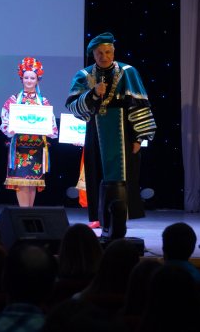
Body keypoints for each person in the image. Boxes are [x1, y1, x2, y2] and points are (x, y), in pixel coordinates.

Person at [65, 32, 156, 241]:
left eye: (108, 52)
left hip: (124, 134)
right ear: (93, 54)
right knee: (98, 175)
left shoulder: (128, 72)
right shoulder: (84, 75)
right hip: (96, 135)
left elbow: (140, 105)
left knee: (124, 177)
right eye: (99, 53)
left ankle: (119, 220)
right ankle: (103, 219)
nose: (104, 56)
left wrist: (139, 137)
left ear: (113, 52)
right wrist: (92, 94)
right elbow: (73, 106)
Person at [0, 57, 58, 207]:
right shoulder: (13, 100)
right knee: (22, 183)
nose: (29, 81)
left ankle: (29, 212)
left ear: (37, 80)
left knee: (32, 183)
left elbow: (51, 123)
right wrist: (9, 129)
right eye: (26, 77)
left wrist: (50, 131)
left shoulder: (43, 102)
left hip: (37, 147)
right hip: (20, 147)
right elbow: (5, 120)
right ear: (22, 79)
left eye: (32, 78)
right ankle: (23, 213)